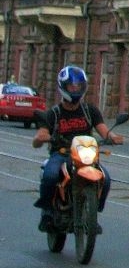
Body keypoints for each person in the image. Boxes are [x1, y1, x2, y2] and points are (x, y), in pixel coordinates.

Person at [32, 65, 123, 232]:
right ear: (63, 87)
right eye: (71, 86)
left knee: (106, 178)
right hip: (61, 154)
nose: (75, 89)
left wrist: (113, 137)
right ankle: (47, 213)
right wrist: (42, 137)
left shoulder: (89, 110)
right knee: (50, 175)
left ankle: (92, 214)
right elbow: (40, 136)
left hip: (85, 154)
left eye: (78, 86)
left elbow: (103, 131)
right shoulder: (54, 113)